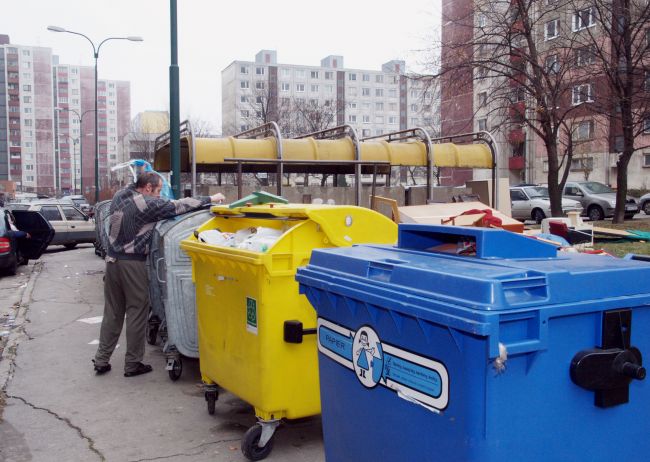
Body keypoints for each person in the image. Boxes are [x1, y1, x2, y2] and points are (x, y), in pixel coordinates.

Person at [93, 172, 225, 377]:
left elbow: (158, 201)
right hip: (132, 264)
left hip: (112, 261)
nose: (158, 196)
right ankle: (133, 364)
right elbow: (177, 206)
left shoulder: (121, 195)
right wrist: (211, 199)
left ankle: (101, 360)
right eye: (157, 191)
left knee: (113, 311)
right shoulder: (146, 204)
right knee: (137, 311)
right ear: (147, 188)